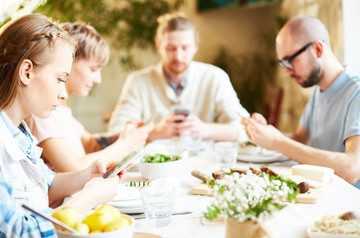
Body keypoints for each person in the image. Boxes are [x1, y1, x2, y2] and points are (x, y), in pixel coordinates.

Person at [0, 14, 124, 238]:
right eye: (59, 79)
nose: (63, 93)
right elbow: (17, 232)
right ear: (26, 72)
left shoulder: (19, 131)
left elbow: (46, 183)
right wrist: (87, 200)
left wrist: (89, 175)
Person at [242, 15, 360, 186]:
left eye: (290, 60)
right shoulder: (319, 90)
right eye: (283, 64)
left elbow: (352, 169)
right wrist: (265, 133)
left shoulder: (356, 93)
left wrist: (277, 142)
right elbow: (298, 138)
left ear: (318, 49)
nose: (286, 72)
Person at [26, 22, 153, 172]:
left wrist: (130, 135)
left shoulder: (62, 109)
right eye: (93, 69)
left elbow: (89, 143)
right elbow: (74, 168)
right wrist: (125, 144)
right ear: (69, 60)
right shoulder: (44, 112)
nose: (98, 79)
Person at [108, 12, 250, 143]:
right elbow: (115, 135)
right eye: (171, 48)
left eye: (185, 48)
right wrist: (155, 132)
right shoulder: (138, 82)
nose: (178, 56)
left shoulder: (215, 77)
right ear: (158, 46)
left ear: (195, 46)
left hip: (205, 165)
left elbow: (245, 129)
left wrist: (204, 129)